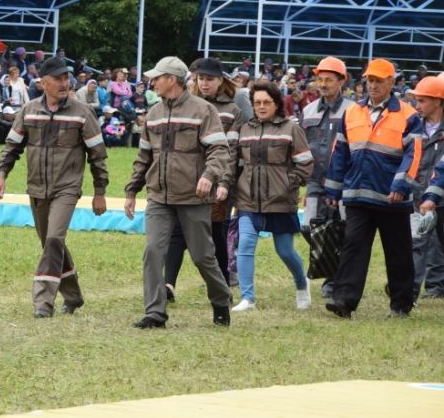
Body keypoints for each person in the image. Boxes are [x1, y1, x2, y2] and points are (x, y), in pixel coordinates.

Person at [0, 56, 108, 318]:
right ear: (43, 83)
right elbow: (12, 147)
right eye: (58, 79)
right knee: (51, 244)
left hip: (67, 188)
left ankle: (43, 302)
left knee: (54, 239)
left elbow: (98, 155)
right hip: (36, 188)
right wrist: (1, 176)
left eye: (66, 78)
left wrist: (99, 191)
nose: (64, 83)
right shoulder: (29, 110)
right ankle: (74, 296)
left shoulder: (82, 112)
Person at [124, 56, 233, 329]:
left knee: (203, 257)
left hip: (192, 197)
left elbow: (220, 150)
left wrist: (209, 176)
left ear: (171, 79)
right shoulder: (154, 113)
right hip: (159, 197)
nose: (152, 83)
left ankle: (221, 299)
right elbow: (144, 156)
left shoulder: (203, 111)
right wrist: (131, 190)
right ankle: (155, 313)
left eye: (157, 78)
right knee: (152, 252)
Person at [324, 58, 422, 319]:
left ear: (392, 82)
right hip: (357, 195)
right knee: (353, 247)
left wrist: (401, 185)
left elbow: (414, 154)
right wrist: (333, 190)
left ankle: (401, 304)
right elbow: (340, 153)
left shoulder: (408, 115)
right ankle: (343, 300)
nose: (373, 85)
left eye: (379, 80)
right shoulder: (352, 112)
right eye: (370, 80)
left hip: (392, 198)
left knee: (398, 252)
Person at [231, 82, 314, 311]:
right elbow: (238, 164)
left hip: (280, 200)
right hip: (248, 199)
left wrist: (290, 184)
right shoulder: (245, 129)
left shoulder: (291, 129)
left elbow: (305, 163)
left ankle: (301, 283)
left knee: (285, 251)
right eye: (257, 102)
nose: (261, 106)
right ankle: (248, 298)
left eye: (266, 102)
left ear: (277, 103)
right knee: (245, 245)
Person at [165, 57, 243, 301]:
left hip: (220, 182)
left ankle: (222, 288)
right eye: (201, 78)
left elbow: (230, 151)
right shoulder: (187, 105)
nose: (205, 83)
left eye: (210, 79)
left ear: (221, 81)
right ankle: (168, 285)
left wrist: (223, 182)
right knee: (178, 232)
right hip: (188, 180)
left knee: (215, 234)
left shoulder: (233, 111)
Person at [299, 56, 355, 299]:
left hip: (344, 183)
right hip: (314, 182)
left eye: (329, 80)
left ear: (341, 81)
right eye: (320, 79)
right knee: (307, 226)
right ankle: (330, 270)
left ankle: (335, 280)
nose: (323, 84)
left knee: (344, 231)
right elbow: (301, 148)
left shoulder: (353, 110)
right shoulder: (308, 110)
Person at [407, 74, 444, 301]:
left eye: (422, 101)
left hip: (441, 198)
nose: (417, 106)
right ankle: (409, 291)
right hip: (418, 196)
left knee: (439, 245)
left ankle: (437, 286)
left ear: (438, 101)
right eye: (416, 100)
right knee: (416, 242)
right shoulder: (412, 127)